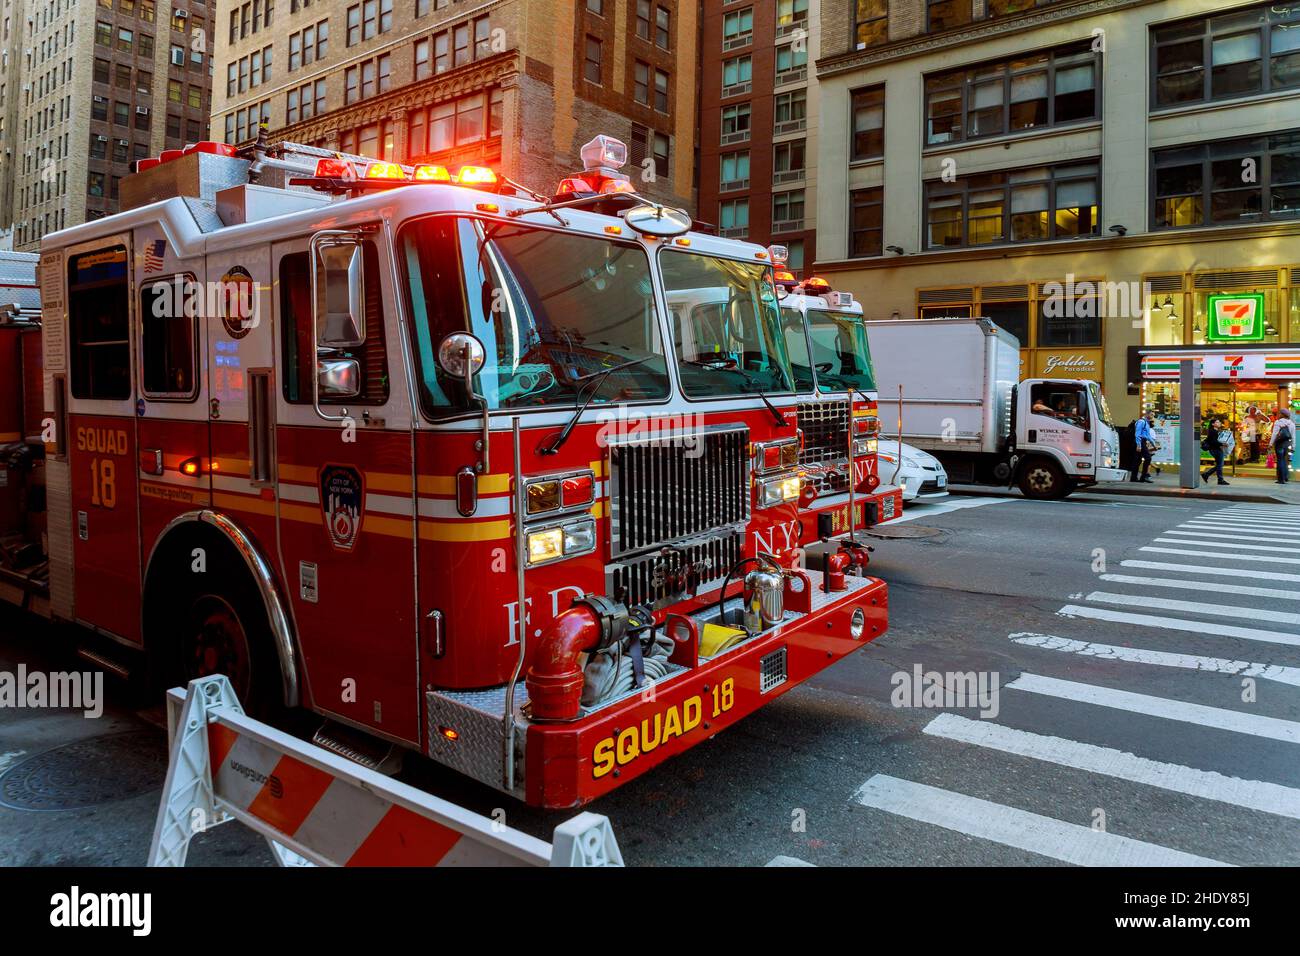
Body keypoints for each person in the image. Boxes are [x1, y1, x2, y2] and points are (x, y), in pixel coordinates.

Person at [1201, 417, 1230, 485]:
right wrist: (1223, 444)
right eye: (1217, 422)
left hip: (1215, 449)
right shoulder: (1212, 431)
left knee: (1219, 465)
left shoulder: (1215, 431)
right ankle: (1219, 479)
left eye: (1219, 422)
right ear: (1213, 424)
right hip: (1215, 449)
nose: (1219, 423)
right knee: (1220, 465)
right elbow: (1213, 442)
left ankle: (1207, 475)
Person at [1273, 409, 1296, 484]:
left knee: (1280, 460)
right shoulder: (1291, 423)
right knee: (1284, 460)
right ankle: (1285, 477)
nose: (1278, 415)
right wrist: (1293, 446)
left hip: (1279, 443)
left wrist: (1270, 444)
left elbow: (1274, 434)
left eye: (1279, 413)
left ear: (1282, 414)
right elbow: (1293, 436)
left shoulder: (1278, 422)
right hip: (1287, 444)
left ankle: (1281, 479)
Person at [1132, 410, 1156, 483]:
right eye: (1151, 415)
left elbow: (1148, 436)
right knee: (1148, 458)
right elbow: (1137, 434)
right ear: (1147, 414)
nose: (1152, 417)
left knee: (1138, 460)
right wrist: (1138, 445)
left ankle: (1134, 478)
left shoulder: (1146, 423)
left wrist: (1154, 445)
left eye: (1153, 415)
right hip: (1139, 442)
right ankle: (1143, 477)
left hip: (1143, 442)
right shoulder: (1141, 422)